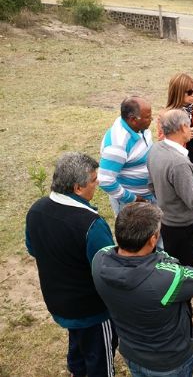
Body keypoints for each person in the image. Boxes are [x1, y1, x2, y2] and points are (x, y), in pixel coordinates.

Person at [25, 152, 118, 377]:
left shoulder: (36, 209)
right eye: (94, 180)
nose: (97, 183)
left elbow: (33, 249)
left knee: (77, 341)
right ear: (78, 188)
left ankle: (77, 370)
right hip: (93, 311)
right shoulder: (91, 224)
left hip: (58, 301)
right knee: (100, 361)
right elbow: (109, 271)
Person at [92, 203, 193, 377]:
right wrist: (161, 256)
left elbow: (108, 250)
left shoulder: (99, 261)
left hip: (131, 352)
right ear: (153, 240)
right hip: (169, 361)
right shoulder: (166, 278)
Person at [147, 109, 193, 340]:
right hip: (183, 228)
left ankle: (181, 309)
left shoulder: (156, 149)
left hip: (167, 222)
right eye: (189, 125)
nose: (192, 129)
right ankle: (183, 321)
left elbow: (152, 185)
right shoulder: (178, 162)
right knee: (184, 275)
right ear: (181, 129)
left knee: (174, 269)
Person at [157, 72, 193, 245]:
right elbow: (163, 142)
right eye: (189, 92)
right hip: (180, 166)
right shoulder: (165, 115)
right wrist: (186, 136)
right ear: (177, 92)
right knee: (183, 201)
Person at [99, 96, 155, 215]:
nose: (151, 119)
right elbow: (105, 180)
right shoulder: (117, 145)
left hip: (149, 196)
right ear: (133, 119)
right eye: (148, 117)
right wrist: (132, 198)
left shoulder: (140, 128)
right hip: (133, 205)